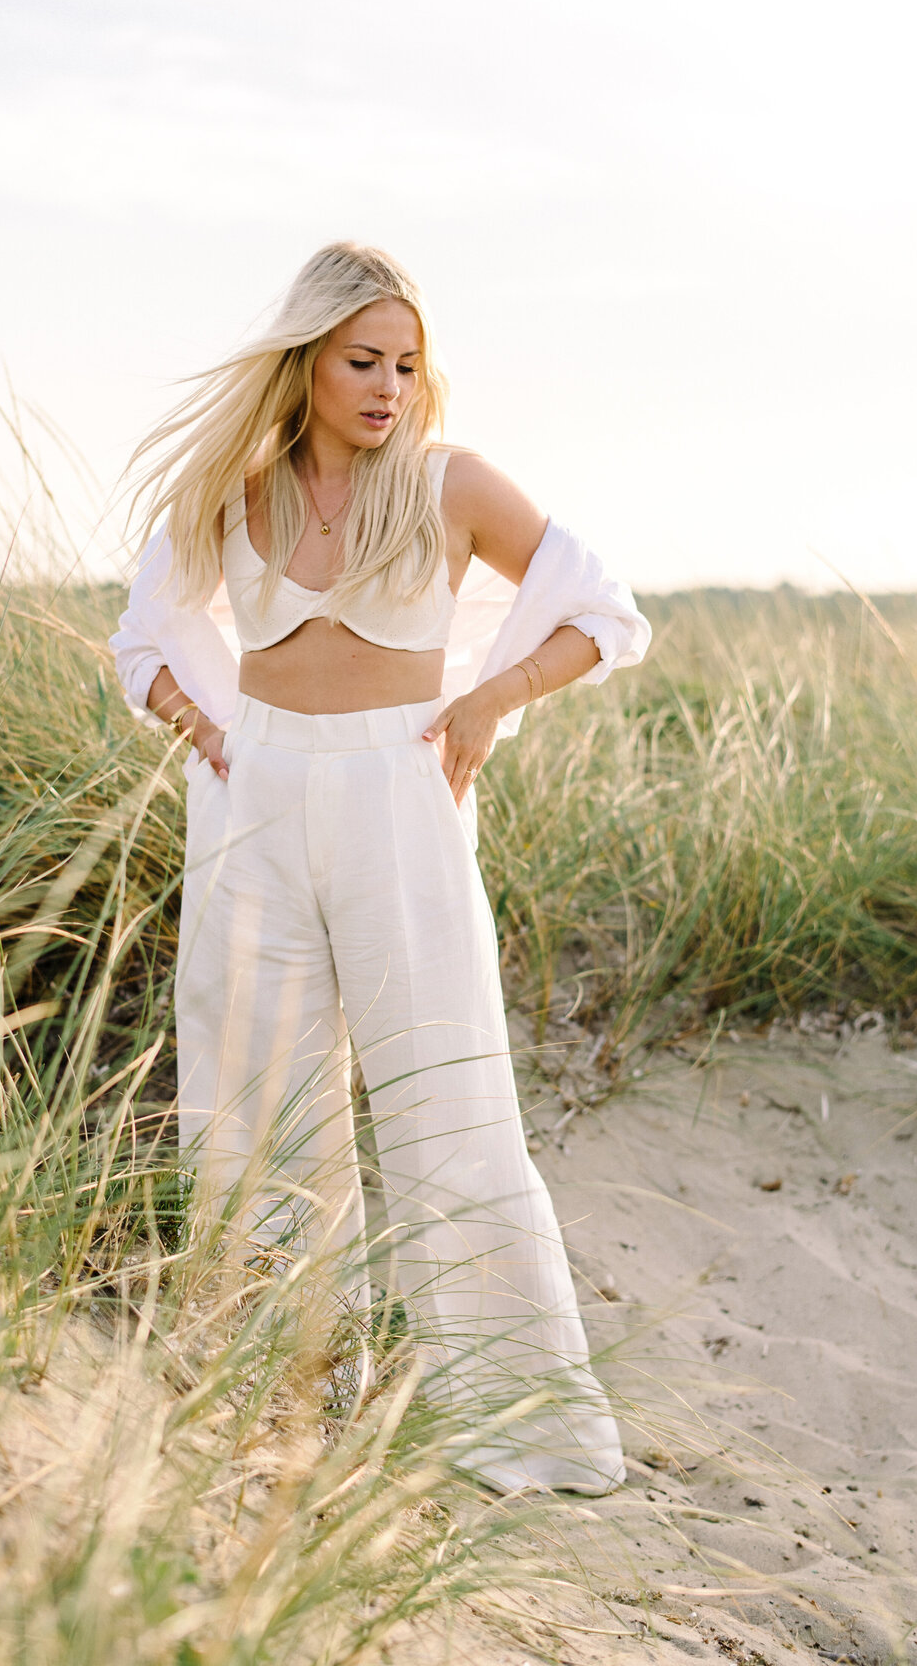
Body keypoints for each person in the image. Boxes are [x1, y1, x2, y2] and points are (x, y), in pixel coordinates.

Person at [109, 241, 650, 1496]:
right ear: (305, 359)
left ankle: (518, 1424)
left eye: (407, 364)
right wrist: (202, 725)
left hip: (397, 796)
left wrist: (492, 698)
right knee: (256, 1109)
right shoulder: (231, 497)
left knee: (444, 1093)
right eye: (364, 361)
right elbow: (141, 642)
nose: (390, 386)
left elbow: (602, 610)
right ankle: (285, 1399)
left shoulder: (452, 483)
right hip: (257, 802)